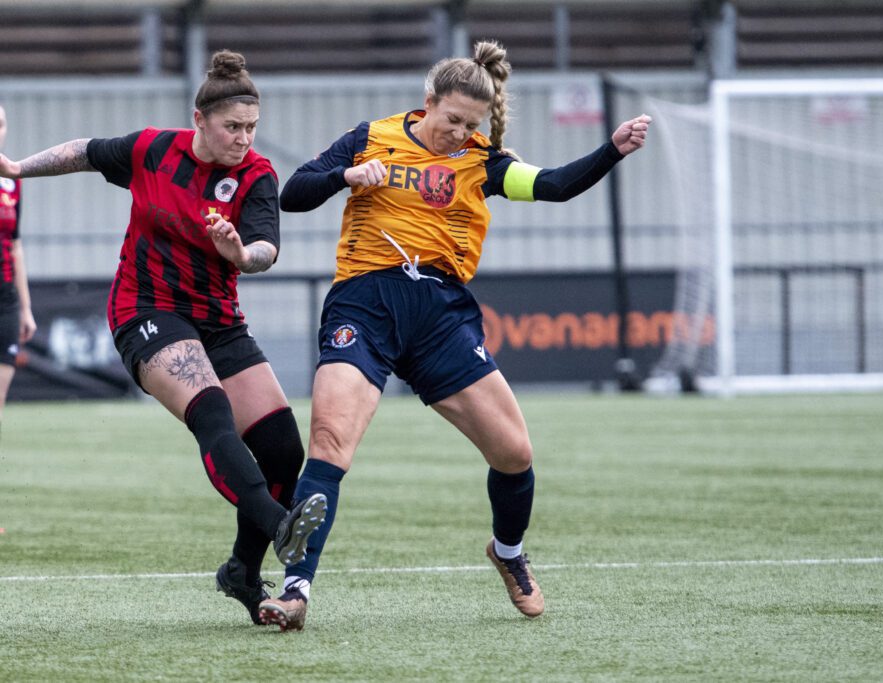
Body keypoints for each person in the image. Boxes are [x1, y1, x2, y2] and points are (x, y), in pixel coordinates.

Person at [257, 39, 651, 631]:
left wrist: (611, 151)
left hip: (441, 314)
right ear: (428, 101)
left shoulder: (483, 161)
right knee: (330, 441)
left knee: (515, 454)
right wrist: (346, 174)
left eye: (471, 124)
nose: (459, 133)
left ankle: (509, 553)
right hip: (365, 303)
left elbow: (556, 185)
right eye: (452, 120)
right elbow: (294, 193)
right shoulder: (372, 137)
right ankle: (295, 590)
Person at [0, 51, 327, 625]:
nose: (244, 139)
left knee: (282, 446)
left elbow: (266, 249)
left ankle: (242, 575)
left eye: (251, 127)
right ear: (198, 120)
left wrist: (240, 254)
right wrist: (19, 168)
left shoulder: (256, 176)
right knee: (215, 417)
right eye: (232, 127)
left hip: (220, 322)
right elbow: (84, 150)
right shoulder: (154, 149)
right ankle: (280, 526)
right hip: (145, 311)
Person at [0, 104, 37, 428]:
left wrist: (25, 308)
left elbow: (15, 244)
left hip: (5, 298)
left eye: (0, 125)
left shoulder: (11, 181)